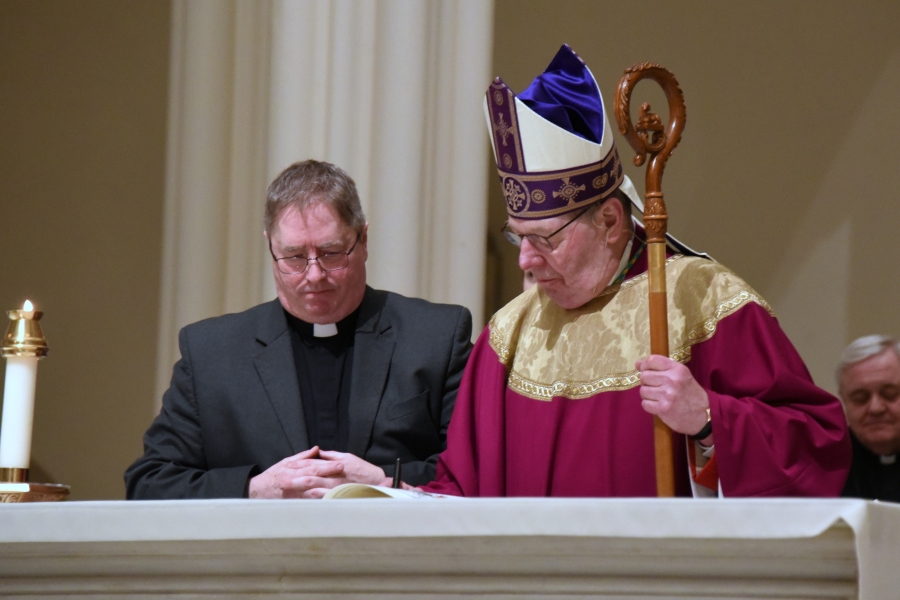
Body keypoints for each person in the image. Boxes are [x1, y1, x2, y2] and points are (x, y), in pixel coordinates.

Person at [423, 45, 850, 498]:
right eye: (518, 236)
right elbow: (459, 491)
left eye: (545, 239)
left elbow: (816, 444)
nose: (525, 261)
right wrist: (384, 491)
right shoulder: (508, 335)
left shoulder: (702, 301)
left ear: (609, 221)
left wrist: (709, 419)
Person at [125, 160, 473, 499]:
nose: (314, 274)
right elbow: (150, 482)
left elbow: (474, 472)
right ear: (271, 249)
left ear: (363, 240)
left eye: (331, 252)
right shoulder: (211, 353)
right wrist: (254, 489)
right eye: (293, 257)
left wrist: (384, 482)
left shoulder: (435, 337)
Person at [836, 335, 900, 501]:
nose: (876, 408)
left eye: (890, 394)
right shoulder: (830, 464)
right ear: (844, 401)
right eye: (860, 398)